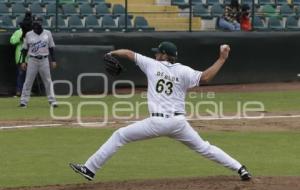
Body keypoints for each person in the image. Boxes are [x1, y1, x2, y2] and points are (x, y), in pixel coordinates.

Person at [69, 41, 252, 181]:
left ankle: (90, 169)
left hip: (157, 123)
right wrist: (222, 59)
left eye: (158, 52)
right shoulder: (184, 70)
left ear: (164, 55)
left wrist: (110, 53)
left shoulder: (152, 65)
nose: (155, 54)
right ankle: (240, 168)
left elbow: (128, 53)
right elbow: (206, 77)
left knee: (119, 136)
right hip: (179, 124)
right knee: (205, 148)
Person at [19, 16, 58, 108]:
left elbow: (51, 47)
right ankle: (23, 101)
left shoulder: (47, 33)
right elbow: (24, 49)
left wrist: (53, 60)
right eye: (35, 22)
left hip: (44, 59)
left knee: (48, 81)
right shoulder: (28, 34)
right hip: (32, 60)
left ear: (41, 23)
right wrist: (23, 61)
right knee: (28, 81)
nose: (37, 23)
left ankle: (52, 101)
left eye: (38, 22)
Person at [9, 11, 33, 97]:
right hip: (20, 56)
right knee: (21, 74)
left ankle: (27, 91)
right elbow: (12, 41)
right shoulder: (18, 32)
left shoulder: (33, 32)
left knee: (29, 75)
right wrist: (20, 39)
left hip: (31, 56)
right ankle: (19, 91)